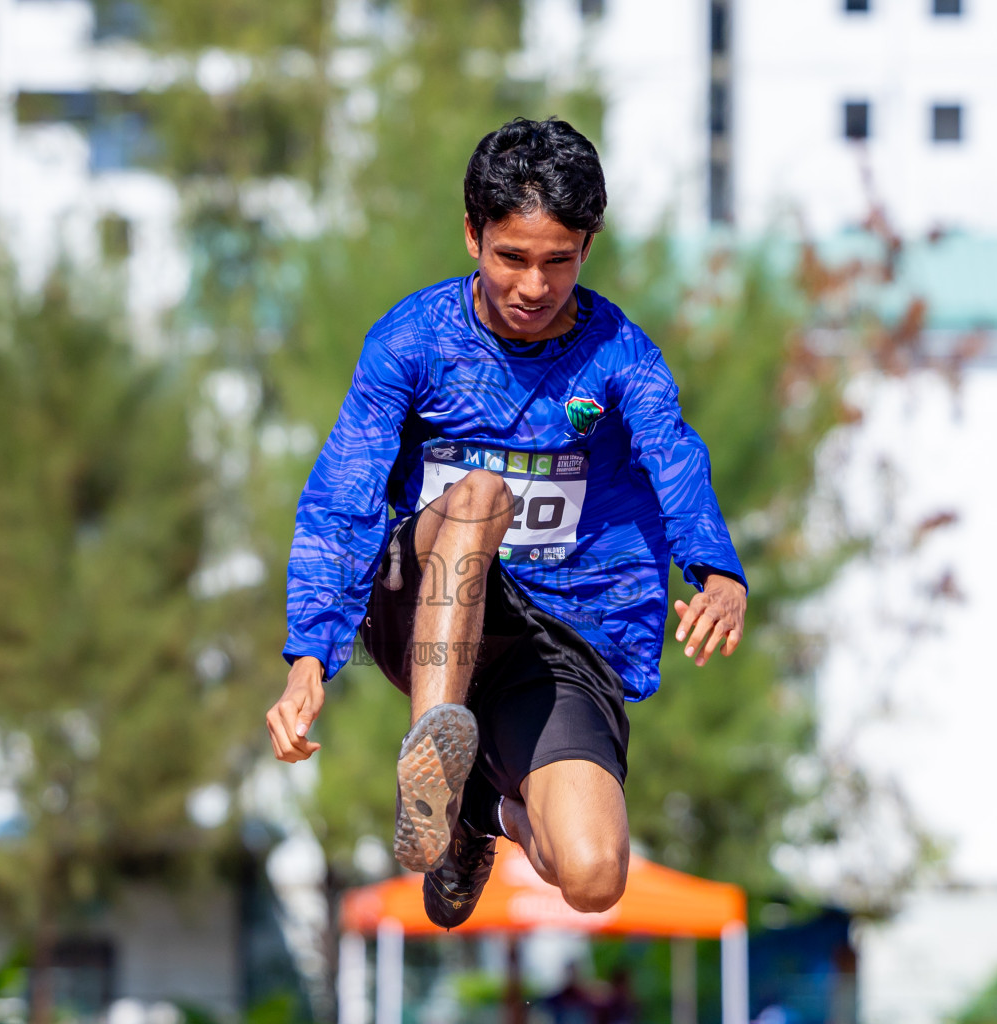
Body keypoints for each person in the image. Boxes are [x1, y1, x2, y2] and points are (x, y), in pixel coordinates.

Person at [266, 117, 748, 928]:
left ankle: (475, 815)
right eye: (511, 258)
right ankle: (434, 762)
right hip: (420, 605)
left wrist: (718, 569)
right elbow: (342, 494)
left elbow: (675, 456)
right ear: (471, 234)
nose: (533, 286)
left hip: (554, 636)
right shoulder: (413, 342)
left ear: (587, 246)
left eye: (558, 261)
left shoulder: (622, 357)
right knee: (480, 496)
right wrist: (309, 650)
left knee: (593, 873)